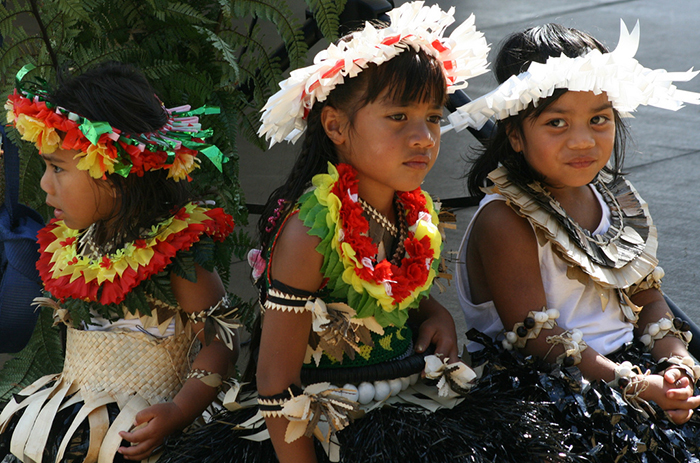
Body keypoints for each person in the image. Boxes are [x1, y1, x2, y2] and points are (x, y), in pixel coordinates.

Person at [158, 3, 568, 463]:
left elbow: (394, 297)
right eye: (398, 117)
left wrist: (435, 314)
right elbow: (275, 379)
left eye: (433, 117)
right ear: (334, 125)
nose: (423, 137)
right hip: (322, 425)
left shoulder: (412, 210)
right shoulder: (311, 231)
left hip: (408, 399)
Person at [449, 20, 700, 460]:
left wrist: (677, 364)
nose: (582, 140)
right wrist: (637, 386)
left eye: (598, 119)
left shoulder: (615, 200)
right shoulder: (505, 218)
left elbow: (648, 299)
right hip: (548, 390)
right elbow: (536, 338)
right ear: (514, 135)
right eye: (557, 123)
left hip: (631, 370)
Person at [0, 62, 240, 463]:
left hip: (146, 437)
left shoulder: (175, 256)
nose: (44, 183)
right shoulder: (75, 247)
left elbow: (222, 341)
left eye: (57, 167)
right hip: (74, 432)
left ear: (112, 173)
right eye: (45, 166)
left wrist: (180, 411)